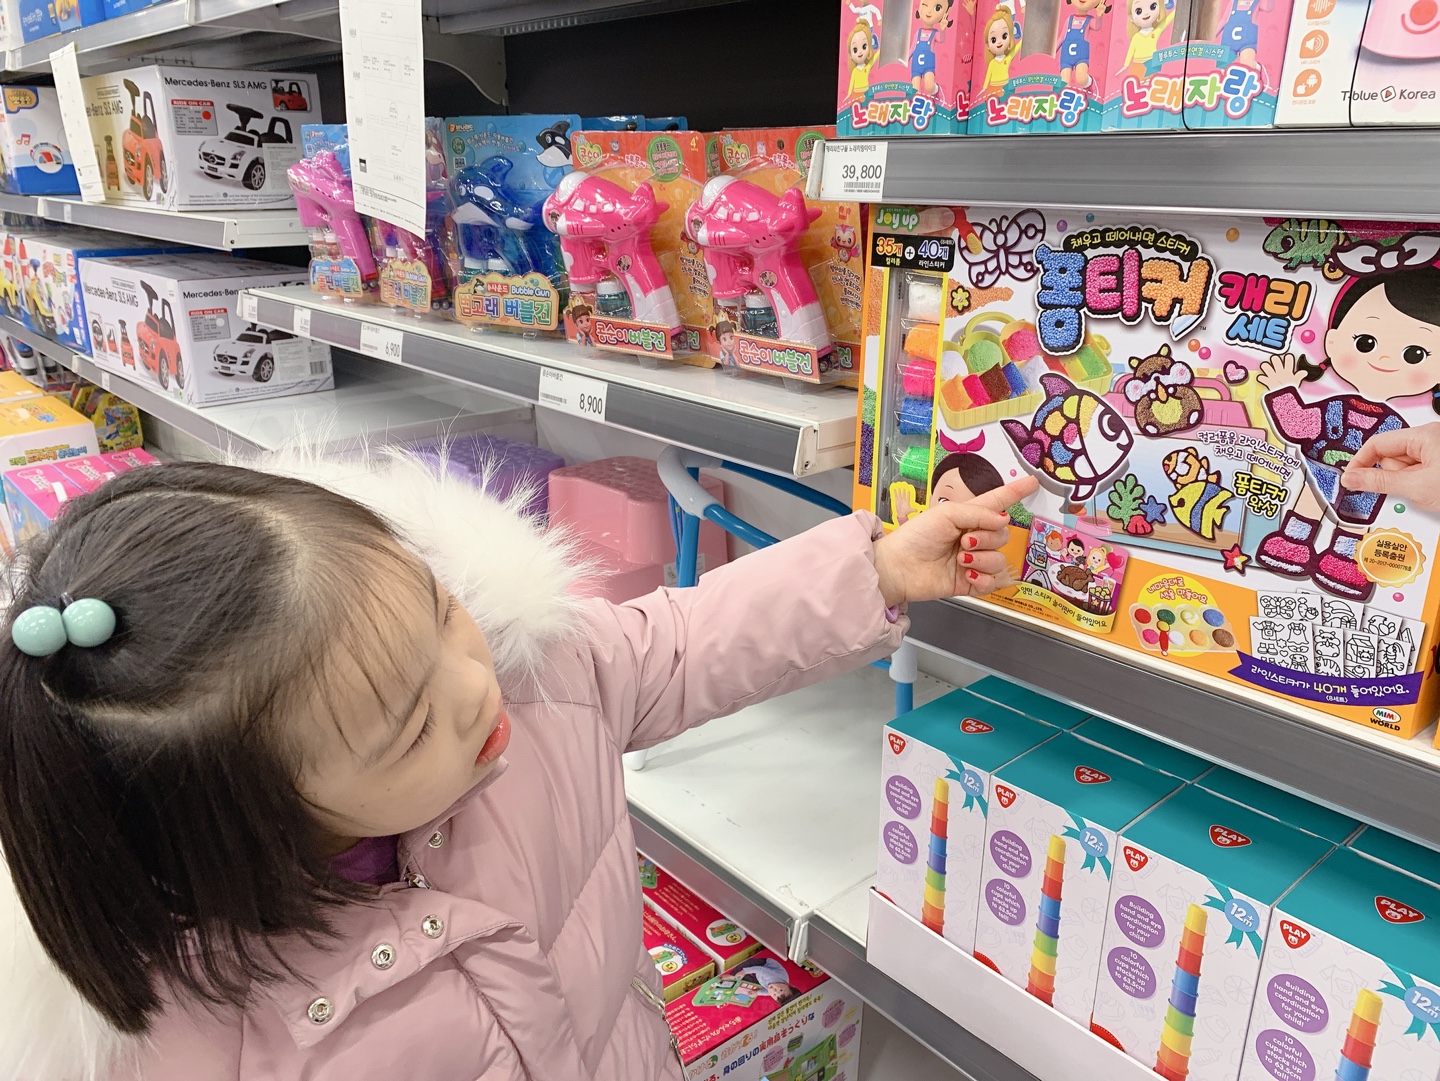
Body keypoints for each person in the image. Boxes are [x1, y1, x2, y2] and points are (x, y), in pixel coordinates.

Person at [0, 450, 1035, 1081]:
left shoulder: (536, 676)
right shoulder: (189, 1027)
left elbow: (685, 640)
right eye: (409, 727)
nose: (475, 686)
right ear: (253, 821)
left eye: (442, 612)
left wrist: (877, 567)